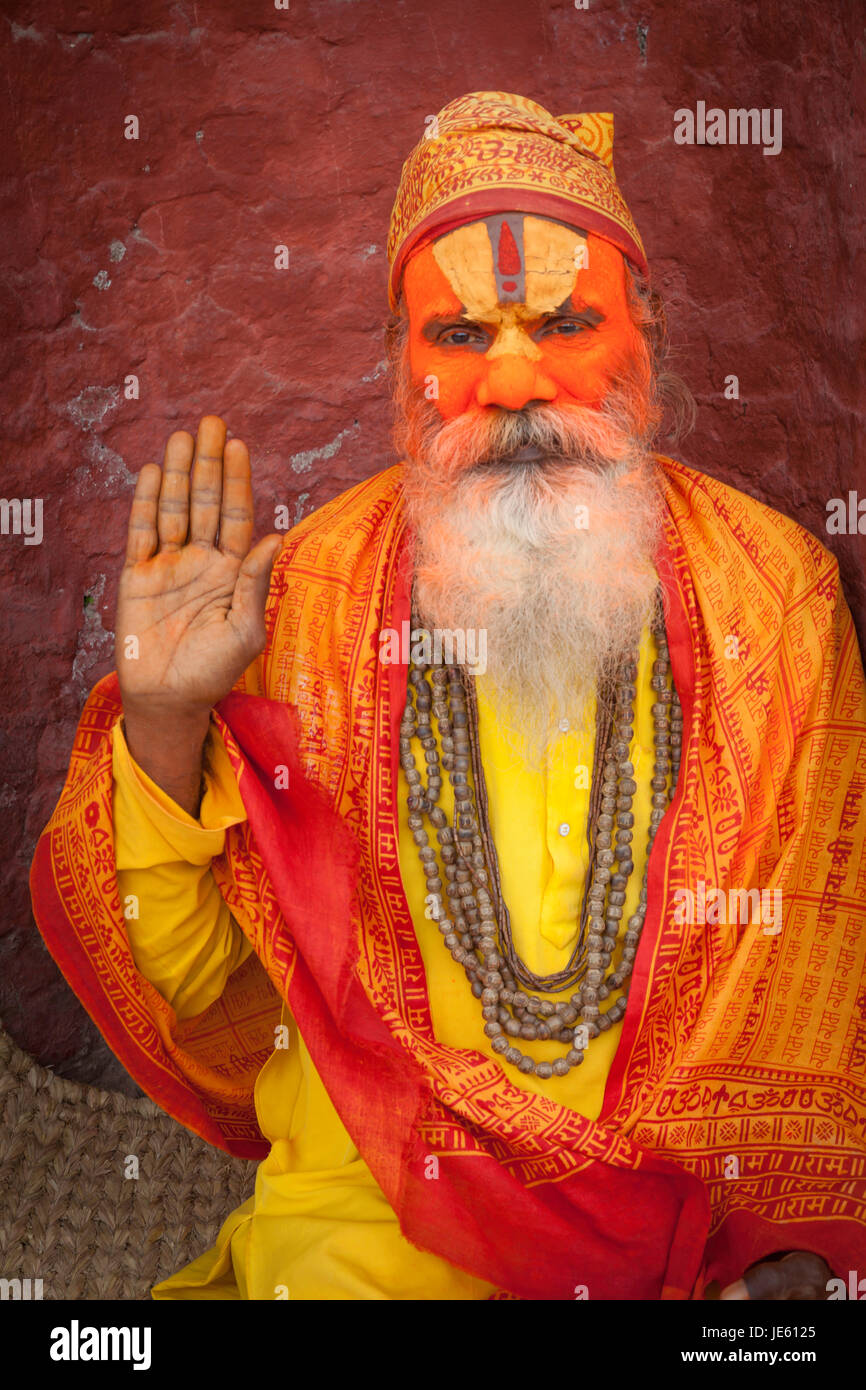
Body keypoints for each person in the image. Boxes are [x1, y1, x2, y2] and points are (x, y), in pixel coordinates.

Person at [31, 92, 866, 1301]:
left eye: (568, 321)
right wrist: (164, 721)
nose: (515, 383)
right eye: (461, 337)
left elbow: (819, 1016)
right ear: (397, 371)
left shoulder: (772, 591)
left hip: (673, 1258)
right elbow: (206, 984)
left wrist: (767, 1252)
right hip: (364, 1243)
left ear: (654, 337)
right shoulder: (305, 601)